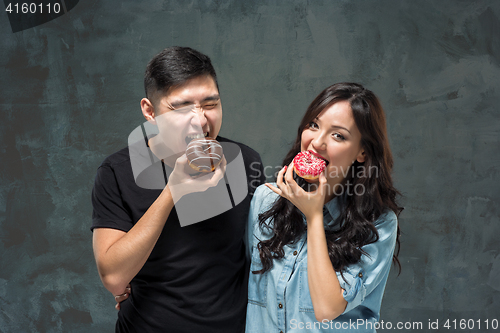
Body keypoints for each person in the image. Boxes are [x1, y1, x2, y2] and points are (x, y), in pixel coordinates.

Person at [91, 46, 265, 333]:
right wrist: (174, 190)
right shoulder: (116, 172)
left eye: (210, 104)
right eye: (181, 107)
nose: (199, 120)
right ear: (150, 111)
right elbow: (113, 277)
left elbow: (266, 252)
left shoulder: (246, 161)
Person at [245, 82, 402, 332]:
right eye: (314, 125)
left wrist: (314, 216)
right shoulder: (266, 200)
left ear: (362, 152)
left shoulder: (379, 224)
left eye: (338, 135)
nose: (317, 142)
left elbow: (327, 309)